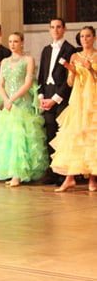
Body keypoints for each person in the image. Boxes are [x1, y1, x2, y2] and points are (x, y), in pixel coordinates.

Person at [0, 32, 48, 187]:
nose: (12, 44)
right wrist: (6, 100)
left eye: (15, 41)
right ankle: (12, 172)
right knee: (8, 138)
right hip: (8, 105)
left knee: (21, 138)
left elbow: (28, 84)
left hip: (22, 103)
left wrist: (12, 99)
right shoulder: (5, 61)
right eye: (10, 41)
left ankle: (19, 174)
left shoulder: (28, 59)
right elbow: (0, 84)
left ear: (22, 42)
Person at [50, 26, 97, 192]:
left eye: (88, 36)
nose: (85, 39)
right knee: (75, 135)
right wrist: (71, 70)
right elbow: (70, 83)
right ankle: (69, 178)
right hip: (78, 100)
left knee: (92, 137)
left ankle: (92, 178)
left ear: (94, 38)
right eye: (82, 36)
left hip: (93, 100)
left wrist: (90, 68)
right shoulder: (75, 56)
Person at [38, 18, 76, 184]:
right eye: (52, 27)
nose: (55, 30)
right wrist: (41, 96)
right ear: (49, 29)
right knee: (49, 133)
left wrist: (54, 99)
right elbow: (41, 75)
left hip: (61, 97)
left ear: (64, 29)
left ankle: (63, 174)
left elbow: (69, 80)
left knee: (61, 135)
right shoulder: (46, 50)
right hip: (47, 93)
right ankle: (51, 172)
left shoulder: (70, 49)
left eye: (58, 27)